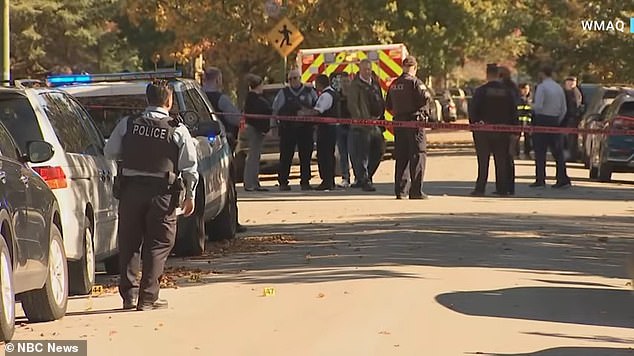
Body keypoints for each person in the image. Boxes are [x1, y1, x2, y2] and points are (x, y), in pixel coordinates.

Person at [104, 80, 198, 311]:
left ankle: (130, 296)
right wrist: (190, 196)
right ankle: (147, 298)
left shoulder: (128, 123)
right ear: (169, 101)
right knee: (159, 243)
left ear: (147, 100)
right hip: (162, 193)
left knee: (129, 243)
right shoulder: (177, 129)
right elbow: (190, 167)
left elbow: (110, 151)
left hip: (131, 191)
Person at [203, 67, 247, 232]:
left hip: (202, 146)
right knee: (228, 185)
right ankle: (231, 223)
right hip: (222, 144)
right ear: (218, 80)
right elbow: (236, 119)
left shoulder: (197, 95)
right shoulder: (220, 99)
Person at [385, 56, 431, 200]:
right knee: (418, 155)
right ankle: (416, 191)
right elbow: (426, 98)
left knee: (402, 156)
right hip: (414, 124)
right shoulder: (416, 83)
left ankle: (401, 191)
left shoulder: (394, 84)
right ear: (415, 68)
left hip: (399, 124)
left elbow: (388, 105)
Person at [469, 64, 518, 196]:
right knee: (501, 160)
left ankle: (480, 188)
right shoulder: (508, 91)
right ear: (498, 74)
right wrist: (515, 131)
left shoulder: (481, 91)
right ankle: (502, 188)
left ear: (487, 74)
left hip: (483, 131)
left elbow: (473, 110)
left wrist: (474, 126)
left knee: (483, 161)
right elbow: (514, 111)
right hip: (503, 131)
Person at [272, 68, 318, 191]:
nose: (293, 81)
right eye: (290, 79)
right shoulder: (283, 93)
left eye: (295, 78)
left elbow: (317, 108)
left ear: (300, 78)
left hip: (305, 130)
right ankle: (283, 182)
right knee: (286, 156)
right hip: (288, 130)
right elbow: (275, 110)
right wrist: (274, 126)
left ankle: (305, 182)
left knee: (305, 156)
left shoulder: (309, 91)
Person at [347, 59, 386, 192]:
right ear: (360, 70)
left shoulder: (375, 84)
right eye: (365, 69)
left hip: (376, 124)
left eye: (369, 69)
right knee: (362, 155)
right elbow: (353, 106)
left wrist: (381, 119)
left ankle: (366, 176)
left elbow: (381, 101)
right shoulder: (355, 86)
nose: (368, 72)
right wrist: (362, 121)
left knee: (379, 150)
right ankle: (364, 180)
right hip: (362, 126)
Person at [531, 65, 571, 189]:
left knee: (540, 151)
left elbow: (538, 105)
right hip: (555, 121)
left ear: (542, 74)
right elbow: (564, 108)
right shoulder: (558, 87)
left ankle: (540, 179)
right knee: (558, 152)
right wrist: (558, 120)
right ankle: (562, 178)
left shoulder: (542, 87)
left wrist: (530, 106)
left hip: (542, 119)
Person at [300, 74, 339, 190]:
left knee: (324, 155)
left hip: (326, 129)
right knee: (329, 155)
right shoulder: (333, 93)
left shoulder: (325, 96)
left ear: (320, 84)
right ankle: (330, 180)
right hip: (331, 128)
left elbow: (317, 111)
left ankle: (327, 181)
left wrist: (303, 113)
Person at [242, 74, 271, 192]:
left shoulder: (254, 99)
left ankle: (254, 182)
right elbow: (258, 116)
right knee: (253, 157)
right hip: (255, 130)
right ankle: (250, 183)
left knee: (255, 157)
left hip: (257, 130)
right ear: (258, 85)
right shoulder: (254, 99)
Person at [498, 66, 520, 195]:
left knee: (503, 157)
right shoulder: (513, 89)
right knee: (509, 157)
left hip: (505, 127)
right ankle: (509, 187)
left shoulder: (505, 89)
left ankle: (503, 187)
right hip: (513, 127)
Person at [333, 72, 352, 188]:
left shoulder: (354, 95)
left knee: (355, 155)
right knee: (343, 154)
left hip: (353, 127)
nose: (345, 84)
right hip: (340, 127)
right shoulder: (337, 96)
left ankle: (359, 178)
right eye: (343, 82)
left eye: (347, 81)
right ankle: (345, 178)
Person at [562, 76, 583, 160]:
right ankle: (570, 154)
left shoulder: (574, 93)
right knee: (570, 138)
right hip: (569, 118)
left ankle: (571, 155)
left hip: (571, 119)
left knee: (570, 138)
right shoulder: (571, 92)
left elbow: (574, 107)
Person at [517, 83, 533, 158]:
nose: (526, 90)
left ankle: (527, 153)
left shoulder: (531, 98)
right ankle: (516, 154)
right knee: (517, 137)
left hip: (528, 121)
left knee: (528, 138)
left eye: (527, 88)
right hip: (518, 121)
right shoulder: (517, 98)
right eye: (524, 89)